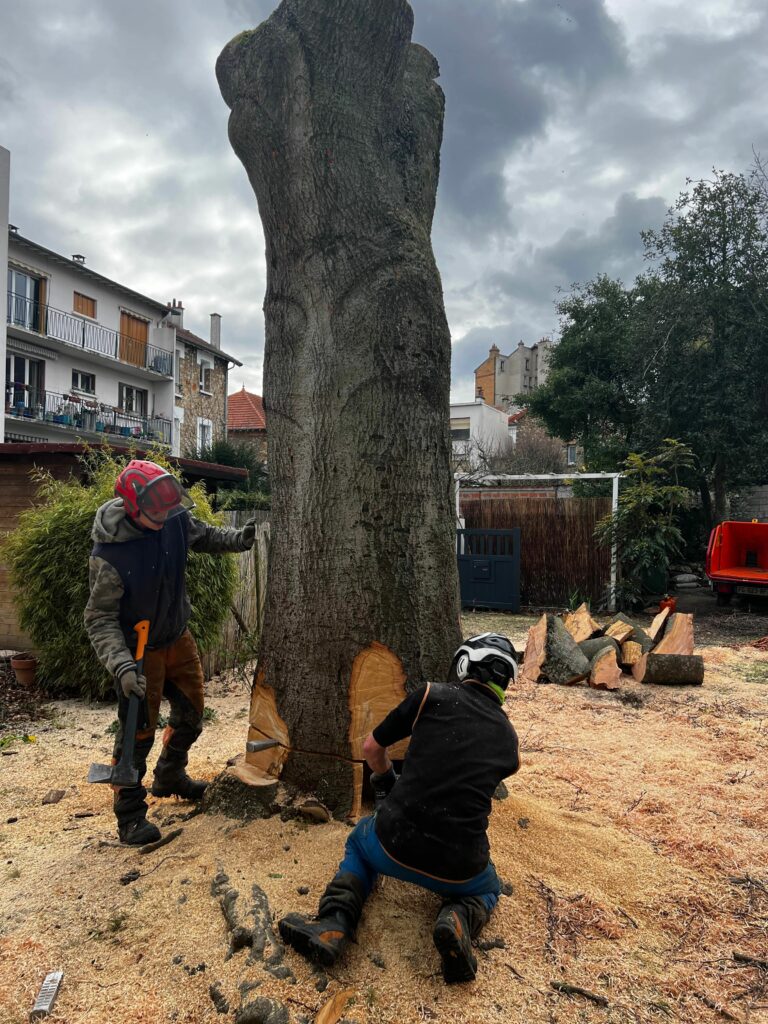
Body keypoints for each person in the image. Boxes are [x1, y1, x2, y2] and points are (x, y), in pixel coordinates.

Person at [278, 633, 520, 984]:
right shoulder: (510, 741)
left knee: (359, 843)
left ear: (465, 664)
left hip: (393, 845)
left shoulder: (429, 696)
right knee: (488, 888)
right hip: (460, 867)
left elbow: (371, 748)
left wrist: (389, 780)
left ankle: (334, 922)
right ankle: (458, 915)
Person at [84, 459, 258, 846]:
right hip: (138, 650)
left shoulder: (174, 519)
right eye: (156, 512)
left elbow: (204, 536)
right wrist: (122, 665)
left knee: (192, 715)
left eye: (168, 509)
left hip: (177, 636)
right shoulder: (110, 555)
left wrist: (238, 540)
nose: (164, 517)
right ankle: (130, 816)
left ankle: (169, 776)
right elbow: (98, 618)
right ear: (133, 507)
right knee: (136, 734)